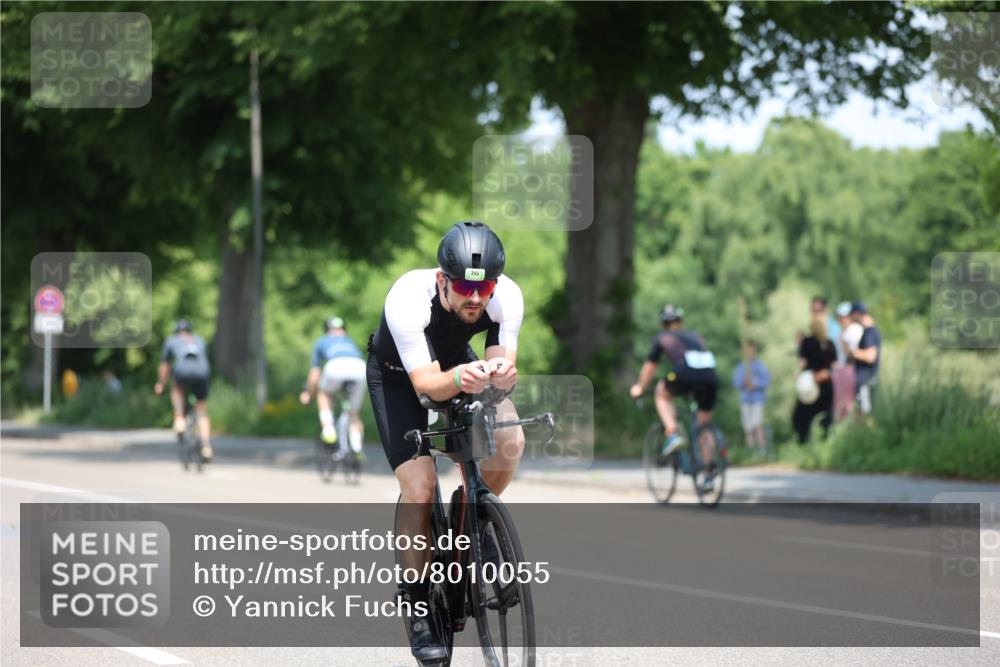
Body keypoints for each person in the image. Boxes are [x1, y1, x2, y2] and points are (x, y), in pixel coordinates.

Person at [366, 221, 523, 663]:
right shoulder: (407, 299)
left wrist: (502, 377)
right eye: (462, 288)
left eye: (484, 287)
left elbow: (499, 369)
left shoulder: (505, 297)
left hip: (456, 365)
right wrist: (459, 378)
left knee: (510, 437)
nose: (475, 298)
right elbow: (428, 384)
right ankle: (417, 603)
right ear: (442, 280)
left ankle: (471, 517)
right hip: (399, 377)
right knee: (419, 488)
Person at [629, 304, 719, 467]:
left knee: (661, 393)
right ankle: (710, 471)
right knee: (703, 426)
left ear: (663, 324)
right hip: (710, 377)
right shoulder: (695, 336)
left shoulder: (662, 337)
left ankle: (672, 433)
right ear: (680, 321)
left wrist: (640, 387)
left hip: (684, 373)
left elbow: (650, 367)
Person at [299, 316, 367, 457]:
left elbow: (315, 372)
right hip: (360, 368)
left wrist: (308, 392)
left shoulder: (322, 341)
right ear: (343, 330)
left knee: (323, 393)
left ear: (326, 330)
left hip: (335, 367)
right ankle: (357, 447)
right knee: (354, 413)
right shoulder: (349, 341)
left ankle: (328, 430)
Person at [155, 319, 213, 461]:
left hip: (182, 371)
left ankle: (179, 418)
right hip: (202, 372)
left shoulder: (171, 340)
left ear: (176, 331)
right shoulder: (199, 340)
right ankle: (206, 447)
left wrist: (161, 384)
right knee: (201, 410)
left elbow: (165, 366)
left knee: (177, 390)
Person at [792, 314, 837, 444]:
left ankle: (804, 443)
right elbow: (833, 366)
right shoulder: (828, 344)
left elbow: (803, 362)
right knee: (822, 417)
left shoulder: (811, 342)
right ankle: (822, 442)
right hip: (820, 383)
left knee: (803, 417)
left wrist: (799, 375)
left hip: (814, 384)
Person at [731, 340, 770, 449]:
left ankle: (762, 451)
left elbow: (766, 381)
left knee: (757, 425)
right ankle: (751, 451)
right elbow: (735, 383)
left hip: (757, 399)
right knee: (747, 428)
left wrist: (755, 384)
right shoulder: (741, 367)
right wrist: (743, 382)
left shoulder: (760, 366)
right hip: (745, 400)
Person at [848, 302, 881, 418]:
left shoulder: (869, 333)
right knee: (861, 413)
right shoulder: (868, 332)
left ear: (857, 314)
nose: (850, 318)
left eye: (851, 315)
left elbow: (870, 356)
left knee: (865, 415)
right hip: (864, 381)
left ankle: (868, 436)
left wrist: (852, 352)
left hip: (865, 382)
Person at [832, 301, 859, 421]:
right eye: (840, 317)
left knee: (849, 405)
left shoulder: (854, 330)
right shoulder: (841, 333)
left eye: (844, 316)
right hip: (841, 371)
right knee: (840, 406)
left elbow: (851, 353)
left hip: (850, 370)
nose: (842, 319)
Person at [812, 296, 843, 363]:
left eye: (818, 311)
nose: (815, 314)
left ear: (825, 310)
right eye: (813, 310)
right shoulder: (814, 327)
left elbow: (836, 350)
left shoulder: (834, 326)